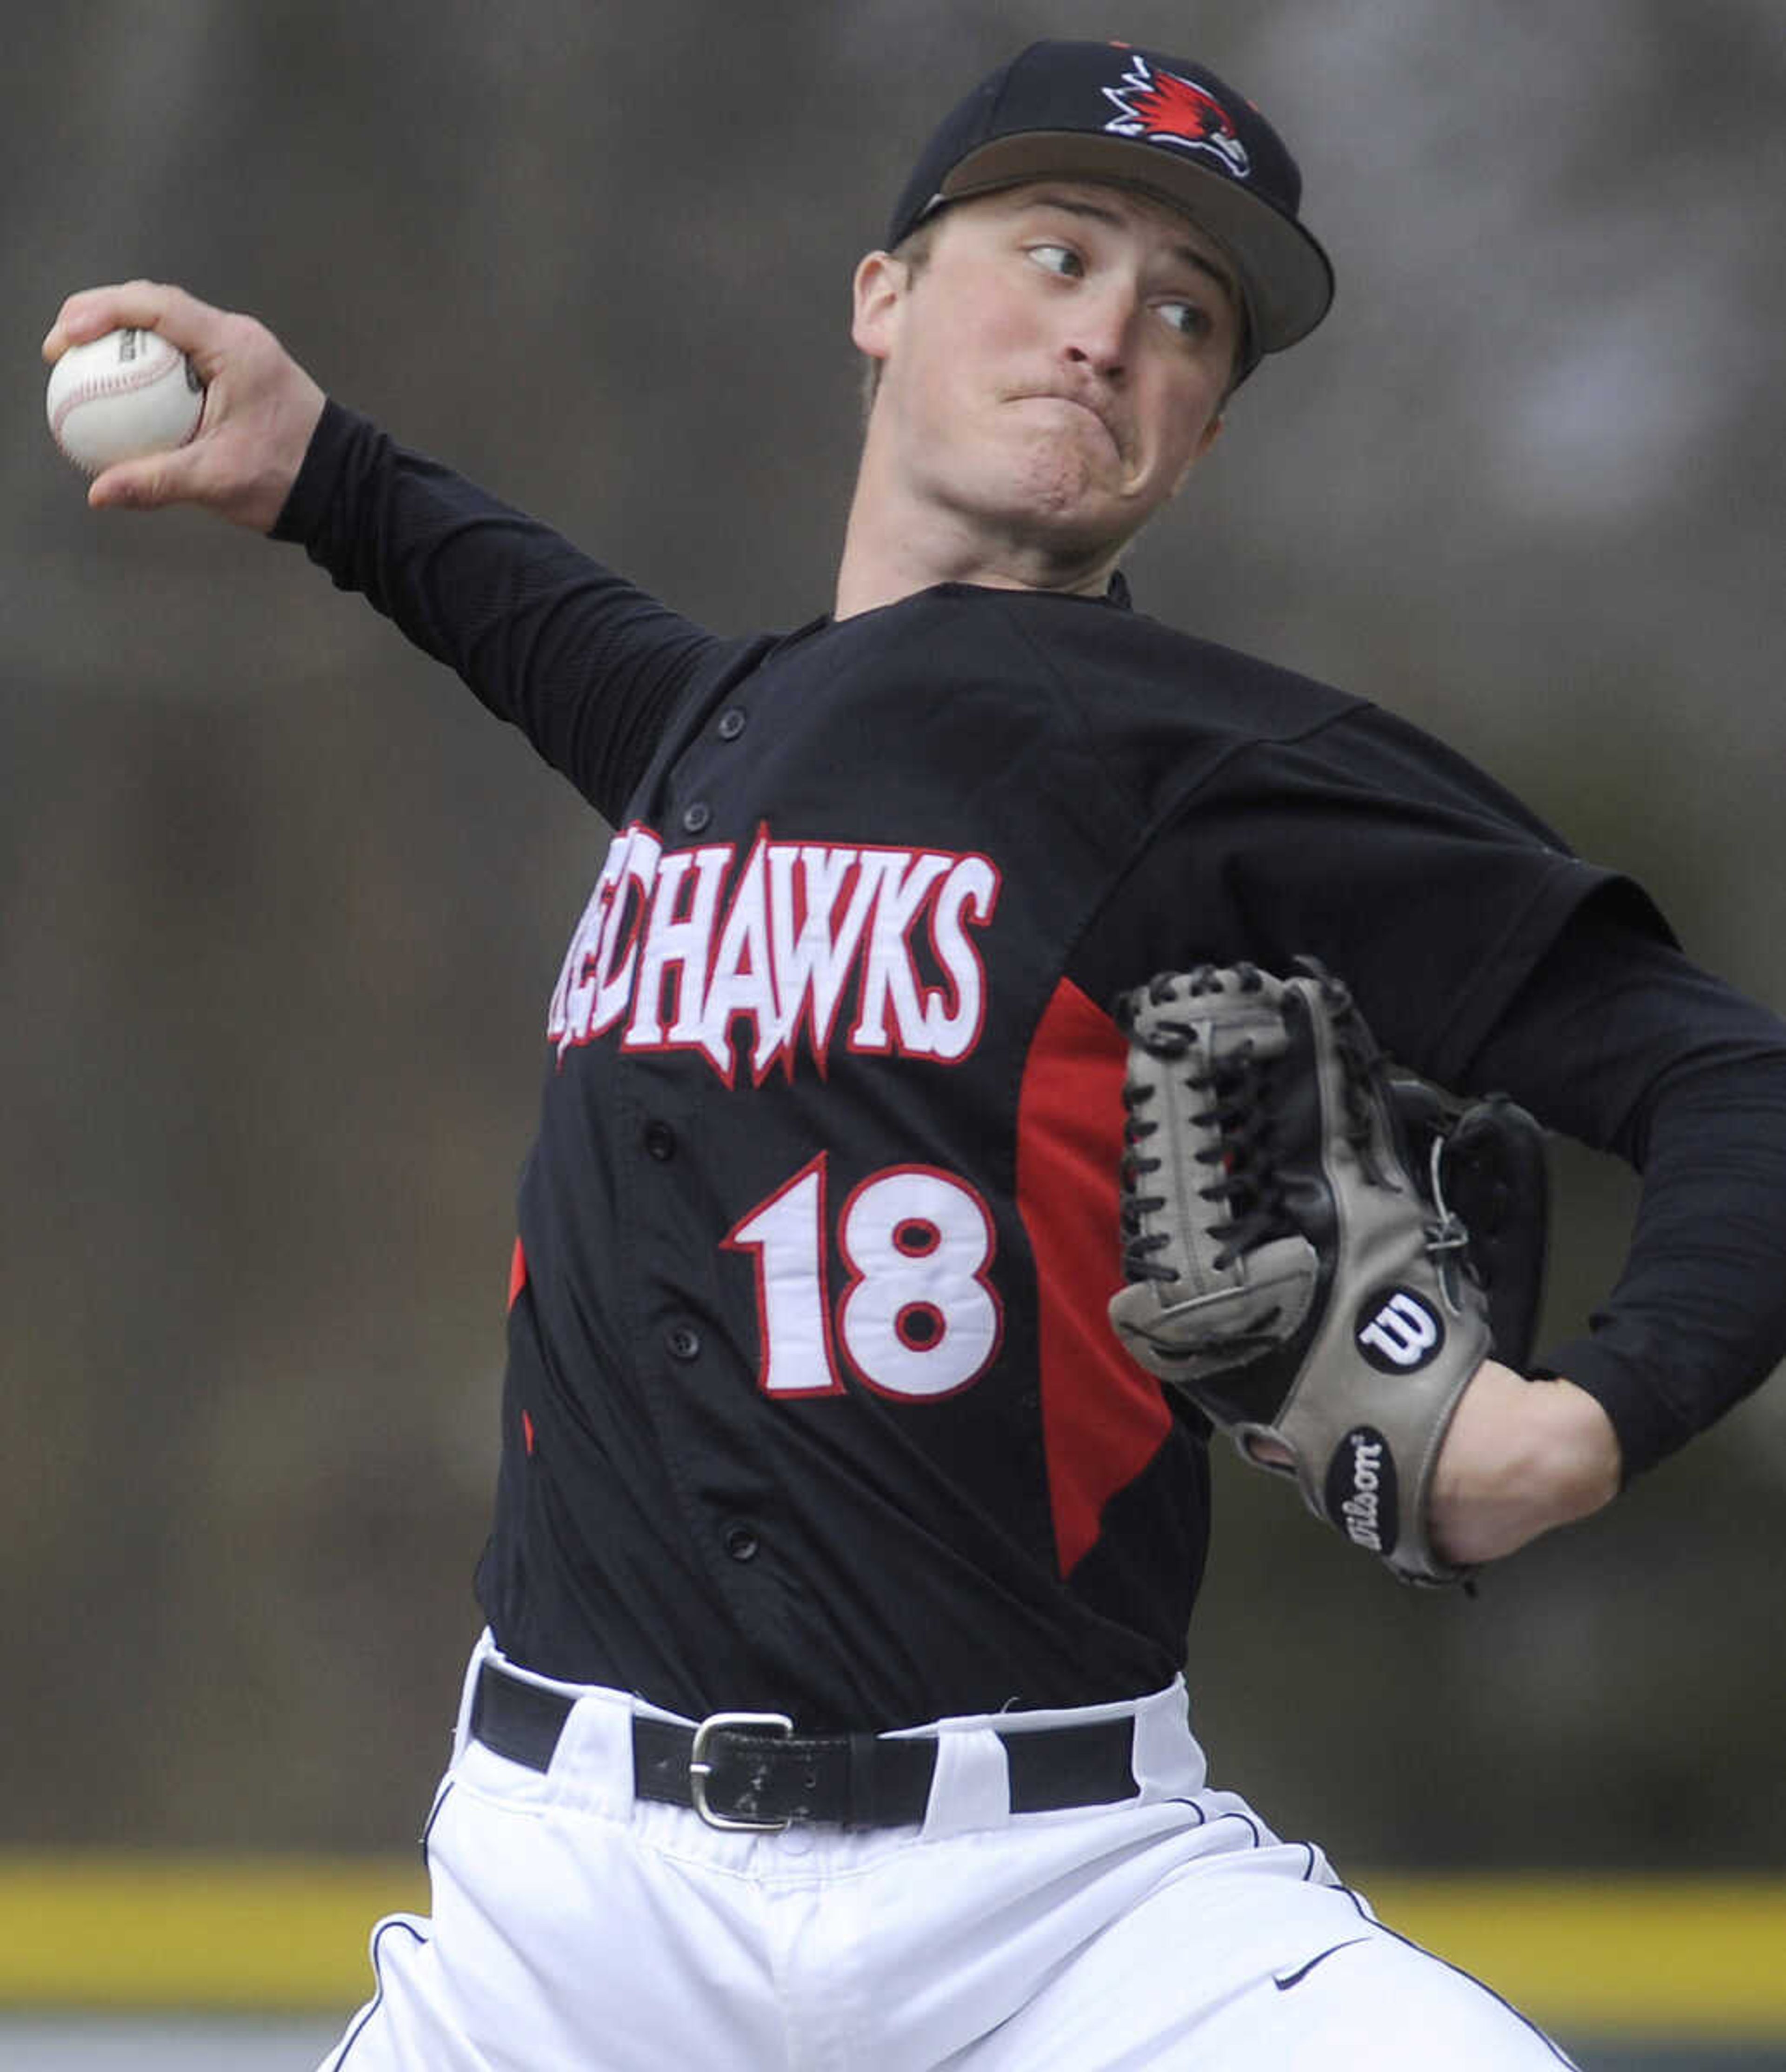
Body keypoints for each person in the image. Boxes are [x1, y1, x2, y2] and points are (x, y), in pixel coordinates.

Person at [45, 37, 1786, 2072]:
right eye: (1053, 253)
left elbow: (1730, 1079)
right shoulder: (720, 738)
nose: (1107, 333)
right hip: (566, 1919)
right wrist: (324, 470)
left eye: (1183, 313)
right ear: (879, 300)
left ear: (1201, 430)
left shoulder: (1208, 771)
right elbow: (559, 636)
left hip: (1062, 1911)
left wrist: (1581, 1421)